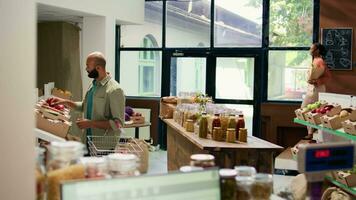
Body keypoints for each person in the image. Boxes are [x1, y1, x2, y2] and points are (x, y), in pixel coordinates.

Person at [53, 52, 125, 144]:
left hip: (103, 147)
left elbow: (118, 124)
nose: (86, 69)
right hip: (87, 141)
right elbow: (84, 106)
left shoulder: (115, 90)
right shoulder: (93, 84)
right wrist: (65, 102)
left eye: (88, 66)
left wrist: (91, 123)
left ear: (98, 68)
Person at [302, 43, 331, 139]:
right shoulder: (314, 60)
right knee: (307, 109)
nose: (310, 50)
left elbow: (328, 76)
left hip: (317, 89)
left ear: (317, 50)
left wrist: (316, 81)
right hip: (311, 89)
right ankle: (311, 132)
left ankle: (314, 133)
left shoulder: (320, 61)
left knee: (309, 109)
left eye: (312, 48)